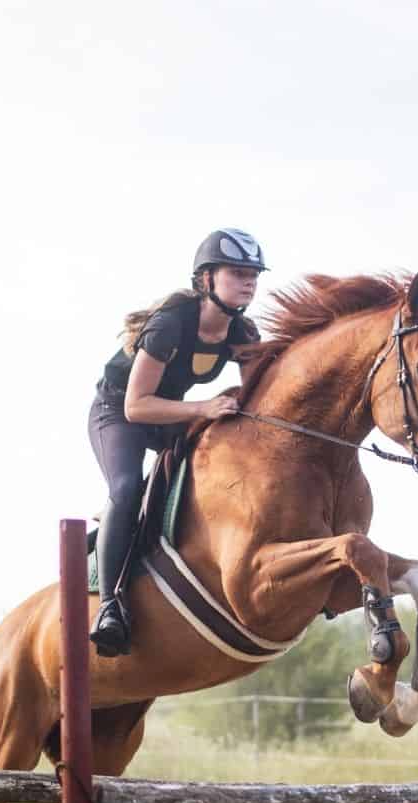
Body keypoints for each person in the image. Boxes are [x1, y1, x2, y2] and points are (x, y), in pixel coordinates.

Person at [87, 228, 267, 656]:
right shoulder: (170, 325)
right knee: (127, 487)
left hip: (168, 411)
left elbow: (259, 399)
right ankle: (111, 604)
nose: (249, 282)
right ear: (206, 279)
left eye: (254, 275)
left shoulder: (243, 334)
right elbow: (137, 406)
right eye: (238, 273)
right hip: (119, 413)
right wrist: (205, 407)